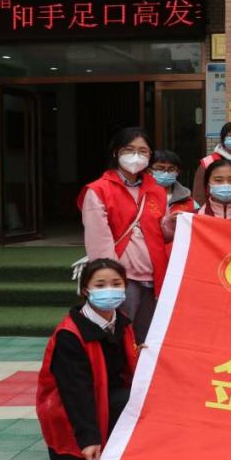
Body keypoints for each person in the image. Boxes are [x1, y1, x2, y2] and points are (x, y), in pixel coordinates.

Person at [37, 258, 137, 460]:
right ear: (85, 290)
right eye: (100, 285)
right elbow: (75, 392)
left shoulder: (122, 323)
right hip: (72, 405)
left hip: (108, 395)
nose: (109, 290)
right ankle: (89, 458)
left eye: (116, 284)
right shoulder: (69, 335)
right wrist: (88, 438)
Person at [79, 127, 167, 343]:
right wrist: (112, 278)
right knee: (120, 335)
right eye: (129, 149)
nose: (136, 155)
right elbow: (99, 241)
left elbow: (162, 232)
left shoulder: (156, 190)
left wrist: (173, 224)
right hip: (124, 277)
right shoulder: (98, 190)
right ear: (116, 152)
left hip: (155, 275)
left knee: (146, 338)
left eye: (143, 151)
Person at [165, 159, 231, 239]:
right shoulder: (192, 218)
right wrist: (171, 224)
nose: (225, 184)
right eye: (218, 180)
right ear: (208, 184)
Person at [193, 122, 231, 205]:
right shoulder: (208, 162)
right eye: (230, 136)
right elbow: (199, 195)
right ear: (222, 139)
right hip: (213, 209)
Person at [150, 150, 196, 215]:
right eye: (160, 168)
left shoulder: (188, 200)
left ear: (177, 172)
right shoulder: (141, 196)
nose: (166, 173)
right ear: (149, 170)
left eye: (171, 169)